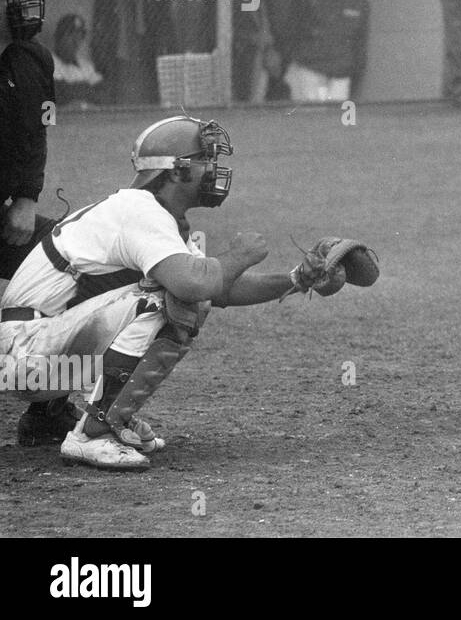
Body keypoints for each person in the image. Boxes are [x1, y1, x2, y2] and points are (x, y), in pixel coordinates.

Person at [0, 114, 371, 467]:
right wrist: (241, 255)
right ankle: (94, 432)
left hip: (37, 355)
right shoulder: (138, 212)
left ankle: (80, 419)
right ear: (177, 169)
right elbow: (195, 283)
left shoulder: (154, 215)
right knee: (170, 300)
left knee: (184, 296)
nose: (214, 169)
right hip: (24, 357)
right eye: (205, 159)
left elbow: (220, 289)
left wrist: (297, 278)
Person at [0, 0, 54, 290]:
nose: (22, 1)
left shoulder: (32, 58)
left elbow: (38, 132)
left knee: (74, 256)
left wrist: (26, 199)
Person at [282, 0, 369, 101]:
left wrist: (358, 73)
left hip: (341, 71)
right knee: (309, 118)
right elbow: (291, 30)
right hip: (309, 69)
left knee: (335, 120)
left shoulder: (358, 0)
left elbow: (361, 40)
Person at [50, 13, 103, 105]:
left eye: (79, 35)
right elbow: (56, 93)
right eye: (70, 34)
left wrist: (71, 89)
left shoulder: (86, 65)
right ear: (58, 37)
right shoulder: (46, 61)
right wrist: (86, 87)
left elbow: (101, 92)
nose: (76, 40)